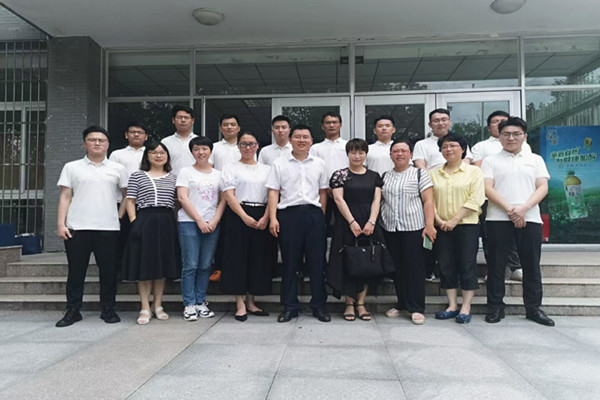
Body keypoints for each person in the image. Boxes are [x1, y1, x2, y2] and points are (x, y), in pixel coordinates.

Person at [482, 116, 554, 326]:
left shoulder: (535, 159)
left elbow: (542, 187)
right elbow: (487, 188)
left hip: (530, 218)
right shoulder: (490, 160)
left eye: (516, 134)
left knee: (531, 266)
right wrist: (510, 209)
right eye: (506, 134)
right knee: (496, 266)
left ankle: (533, 309)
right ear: (499, 136)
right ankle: (495, 307)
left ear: (524, 136)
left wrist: (523, 209)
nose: (511, 138)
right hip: (498, 218)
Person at [55, 126, 128, 327]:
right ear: (84, 144)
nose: (97, 143)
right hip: (77, 227)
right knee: (76, 272)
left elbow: (128, 195)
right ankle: (73, 310)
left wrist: (119, 216)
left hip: (108, 228)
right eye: (92, 139)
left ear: (108, 144)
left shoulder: (117, 169)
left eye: (101, 140)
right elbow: (65, 196)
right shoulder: (72, 167)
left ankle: (108, 309)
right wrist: (61, 224)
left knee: (108, 272)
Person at [266, 124, 330, 323]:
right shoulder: (279, 163)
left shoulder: (319, 163)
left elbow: (323, 191)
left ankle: (318, 306)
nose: (301, 140)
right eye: (297, 137)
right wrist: (273, 218)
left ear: (311, 141)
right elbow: (273, 191)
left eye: (305, 137)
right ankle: (289, 306)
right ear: (290, 140)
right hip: (289, 215)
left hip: (313, 215)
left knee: (317, 263)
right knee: (290, 263)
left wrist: (321, 215)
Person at [121, 142, 181, 325]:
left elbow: (177, 202)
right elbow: (130, 200)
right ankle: (145, 307)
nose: (158, 155)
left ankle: (158, 305)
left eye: (162, 152)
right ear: (147, 156)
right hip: (145, 220)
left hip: (166, 221)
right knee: (145, 265)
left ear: (167, 156)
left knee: (162, 266)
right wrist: (134, 221)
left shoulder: (174, 178)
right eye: (153, 152)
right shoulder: (137, 176)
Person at [220, 131, 276, 321]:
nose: (248, 147)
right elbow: (229, 195)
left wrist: (267, 217)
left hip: (262, 214)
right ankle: (240, 303)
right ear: (238, 147)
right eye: (243, 144)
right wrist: (244, 216)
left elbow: (273, 195)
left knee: (258, 258)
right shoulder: (230, 168)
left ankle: (252, 301)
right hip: (238, 214)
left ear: (257, 146)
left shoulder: (267, 169)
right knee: (237, 258)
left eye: (251, 144)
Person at [327, 139, 385, 321]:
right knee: (347, 261)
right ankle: (349, 303)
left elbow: (377, 200)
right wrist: (351, 221)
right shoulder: (340, 175)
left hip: (369, 223)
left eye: (361, 152)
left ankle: (361, 303)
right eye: (353, 152)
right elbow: (338, 199)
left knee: (366, 262)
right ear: (348, 154)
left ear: (366, 154)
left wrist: (371, 222)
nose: (357, 156)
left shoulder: (374, 176)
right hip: (346, 223)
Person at [412, 108, 472, 281]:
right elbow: (420, 166)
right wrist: (433, 181)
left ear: (449, 122)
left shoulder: (459, 141)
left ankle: (457, 272)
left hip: (458, 191)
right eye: (436, 120)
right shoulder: (422, 144)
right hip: (432, 190)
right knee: (431, 232)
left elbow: (466, 163)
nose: (440, 123)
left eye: (444, 119)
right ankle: (430, 269)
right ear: (430, 124)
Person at [430, 134, 484, 324]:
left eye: (453, 145)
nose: (449, 149)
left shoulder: (474, 172)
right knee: (445, 265)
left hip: (466, 225)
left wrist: (454, 220)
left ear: (462, 149)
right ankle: (452, 305)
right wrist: (438, 220)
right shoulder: (434, 173)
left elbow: (476, 199)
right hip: (441, 226)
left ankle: (466, 306)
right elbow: (429, 200)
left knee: (467, 264)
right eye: (445, 146)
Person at [381, 139, 436, 325]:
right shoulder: (385, 176)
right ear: (390, 155)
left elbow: (428, 201)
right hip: (390, 228)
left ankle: (416, 307)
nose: (400, 154)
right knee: (397, 269)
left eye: (403, 150)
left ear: (410, 154)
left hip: (414, 228)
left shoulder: (420, 174)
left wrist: (430, 225)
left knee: (414, 268)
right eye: (395, 151)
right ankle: (402, 303)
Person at [472, 110, 532, 282]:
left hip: (519, 199)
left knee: (516, 235)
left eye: (502, 120)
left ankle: (516, 267)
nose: (499, 123)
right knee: (491, 238)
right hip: (490, 198)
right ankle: (494, 269)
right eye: (495, 121)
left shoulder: (525, 146)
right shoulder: (481, 146)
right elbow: (479, 171)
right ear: (489, 126)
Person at [176, 136, 226, 321]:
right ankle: (189, 304)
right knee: (190, 265)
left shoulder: (218, 174)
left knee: (205, 265)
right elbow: (182, 198)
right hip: (189, 222)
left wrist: (215, 220)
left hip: (212, 223)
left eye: (204, 148)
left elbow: (223, 200)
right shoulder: (185, 172)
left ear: (210, 151)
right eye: (196, 149)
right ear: (192, 152)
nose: (201, 152)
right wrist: (199, 220)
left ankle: (200, 301)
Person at [109, 121, 148, 274]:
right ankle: (120, 271)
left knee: (143, 239)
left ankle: (141, 270)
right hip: (122, 201)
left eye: (140, 132)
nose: (136, 135)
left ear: (146, 137)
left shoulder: (151, 153)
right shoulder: (117, 154)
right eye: (132, 132)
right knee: (123, 237)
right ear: (126, 135)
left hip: (145, 203)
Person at [161, 105, 198, 175]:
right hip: (171, 180)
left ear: (192, 121)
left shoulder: (199, 142)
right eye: (179, 117)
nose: (183, 120)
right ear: (173, 120)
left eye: (186, 117)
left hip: (195, 180)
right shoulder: (165, 142)